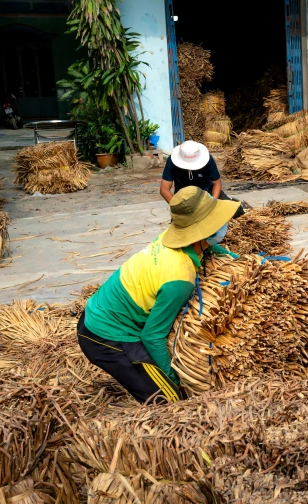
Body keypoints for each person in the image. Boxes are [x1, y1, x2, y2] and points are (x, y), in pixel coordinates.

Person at [77, 186, 240, 404]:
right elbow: (152, 336)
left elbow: (206, 248)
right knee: (171, 401)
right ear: (203, 232)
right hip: (106, 336)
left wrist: (235, 258)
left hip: (99, 309)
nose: (223, 226)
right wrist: (174, 379)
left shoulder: (174, 238)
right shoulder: (179, 279)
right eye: (216, 222)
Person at [160, 140, 247, 217]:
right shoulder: (171, 161)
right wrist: (178, 207)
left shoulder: (208, 159)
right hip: (184, 197)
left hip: (207, 191)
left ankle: (237, 204)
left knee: (235, 212)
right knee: (181, 224)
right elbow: (164, 190)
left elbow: (217, 183)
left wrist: (213, 203)